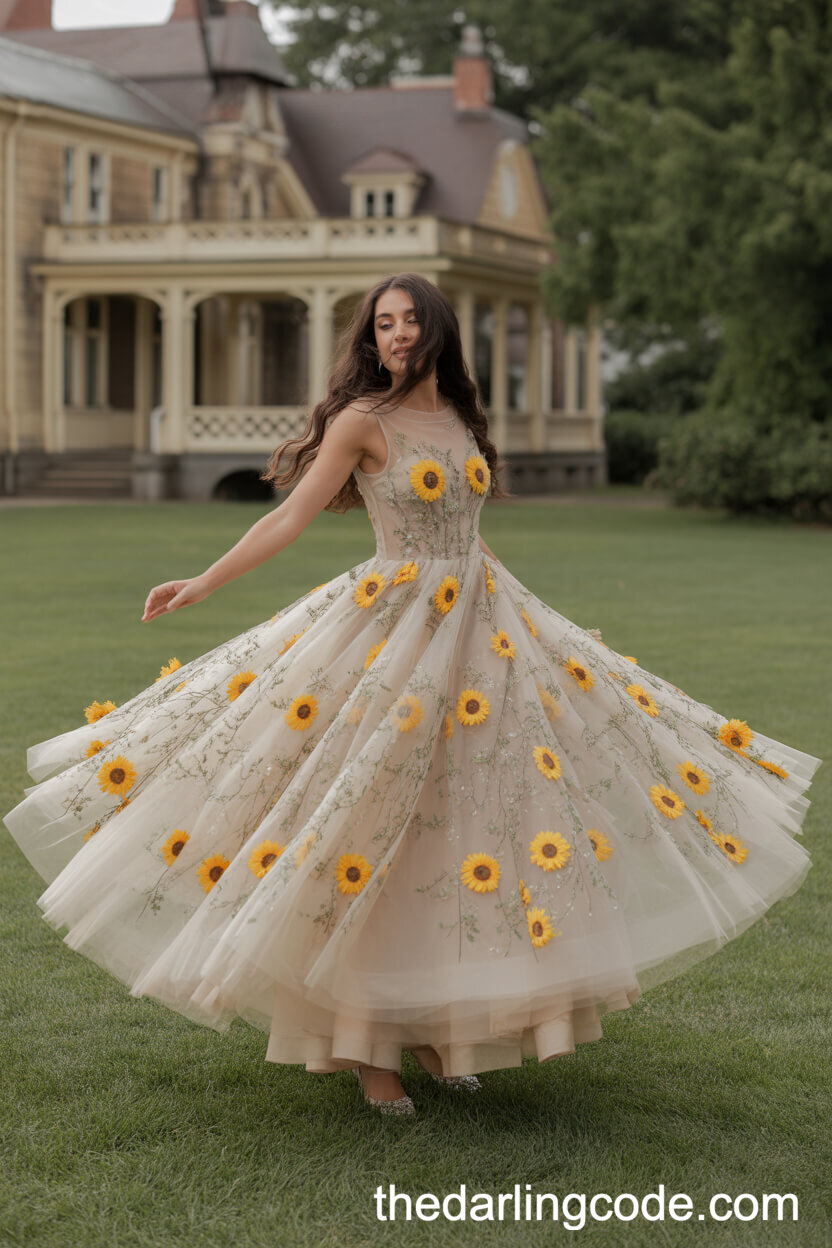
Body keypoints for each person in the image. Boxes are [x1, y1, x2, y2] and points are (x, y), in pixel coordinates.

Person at [3, 273, 822, 1118]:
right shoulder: (363, 421)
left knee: (459, 827)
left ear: (437, 330)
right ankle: (369, 1046)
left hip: (481, 636)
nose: (395, 335)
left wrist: (531, 617)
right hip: (395, 636)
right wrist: (204, 582)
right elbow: (289, 516)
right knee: (371, 822)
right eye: (382, 325)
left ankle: (436, 1030)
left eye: (408, 321)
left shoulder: (462, 418)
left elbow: (470, 532)